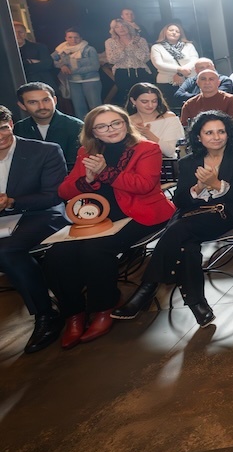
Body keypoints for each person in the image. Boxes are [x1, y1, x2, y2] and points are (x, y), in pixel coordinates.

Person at [42, 105, 174, 348]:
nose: (111, 129)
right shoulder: (86, 151)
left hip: (140, 214)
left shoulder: (147, 148)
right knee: (56, 254)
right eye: (102, 126)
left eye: (116, 123)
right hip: (98, 217)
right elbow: (64, 191)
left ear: (125, 123)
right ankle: (74, 313)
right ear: (93, 132)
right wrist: (87, 180)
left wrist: (105, 172)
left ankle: (104, 307)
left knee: (95, 249)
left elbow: (143, 185)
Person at [113, 111, 233, 326]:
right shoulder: (189, 161)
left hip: (227, 212)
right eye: (209, 133)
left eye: (221, 132)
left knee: (179, 229)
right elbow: (180, 200)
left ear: (229, 134)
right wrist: (197, 188)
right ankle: (197, 304)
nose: (216, 137)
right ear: (199, 137)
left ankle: (147, 288)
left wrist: (216, 184)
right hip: (193, 213)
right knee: (186, 244)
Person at [0, 105, 70, 353]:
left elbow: (53, 196)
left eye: (3, 129)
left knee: (6, 251)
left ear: (11, 124)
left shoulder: (45, 150)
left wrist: (11, 202)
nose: (0, 136)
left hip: (40, 213)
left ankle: (46, 313)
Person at [15, 82, 84, 164]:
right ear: (22, 106)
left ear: (54, 100)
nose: (42, 106)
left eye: (46, 100)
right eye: (33, 102)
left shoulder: (76, 126)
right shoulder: (19, 128)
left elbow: (76, 163)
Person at [127, 83, 186, 159]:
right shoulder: (127, 121)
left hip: (164, 162)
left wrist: (148, 134)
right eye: (144, 102)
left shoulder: (168, 118)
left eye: (154, 101)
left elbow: (169, 152)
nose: (150, 105)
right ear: (133, 101)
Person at [52, 28, 103, 115]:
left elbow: (95, 66)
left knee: (95, 107)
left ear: (81, 38)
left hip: (90, 80)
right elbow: (51, 60)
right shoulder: (62, 49)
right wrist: (62, 65)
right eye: (70, 37)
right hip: (73, 81)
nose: (73, 40)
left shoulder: (89, 49)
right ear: (66, 38)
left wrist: (73, 71)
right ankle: (81, 124)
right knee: (79, 107)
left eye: (76, 37)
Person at [149, 23, 199, 107]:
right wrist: (179, 69)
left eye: (177, 31)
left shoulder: (189, 46)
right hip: (167, 82)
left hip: (189, 81)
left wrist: (180, 73)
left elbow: (195, 60)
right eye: (171, 30)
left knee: (193, 106)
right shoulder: (156, 47)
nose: (174, 32)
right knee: (172, 107)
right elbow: (158, 64)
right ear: (165, 32)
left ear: (180, 34)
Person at [104, 19, 154, 104]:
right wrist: (122, 47)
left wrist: (134, 45)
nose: (121, 28)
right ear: (113, 29)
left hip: (141, 71)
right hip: (122, 73)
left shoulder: (140, 40)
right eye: (117, 27)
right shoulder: (110, 42)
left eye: (123, 26)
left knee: (144, 96)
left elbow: (145, 58)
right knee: (126, 99)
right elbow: (112, 60)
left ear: (129, 27)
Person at [14, 22, 57, 87]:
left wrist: (25, 66)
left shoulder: (40, 47)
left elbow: (48, 64)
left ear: (25, 33)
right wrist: (30, 62)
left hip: (42, 84)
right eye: (14, 32)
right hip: (20, 86)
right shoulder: (7, 52)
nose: (17, 35)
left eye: (20, 32)